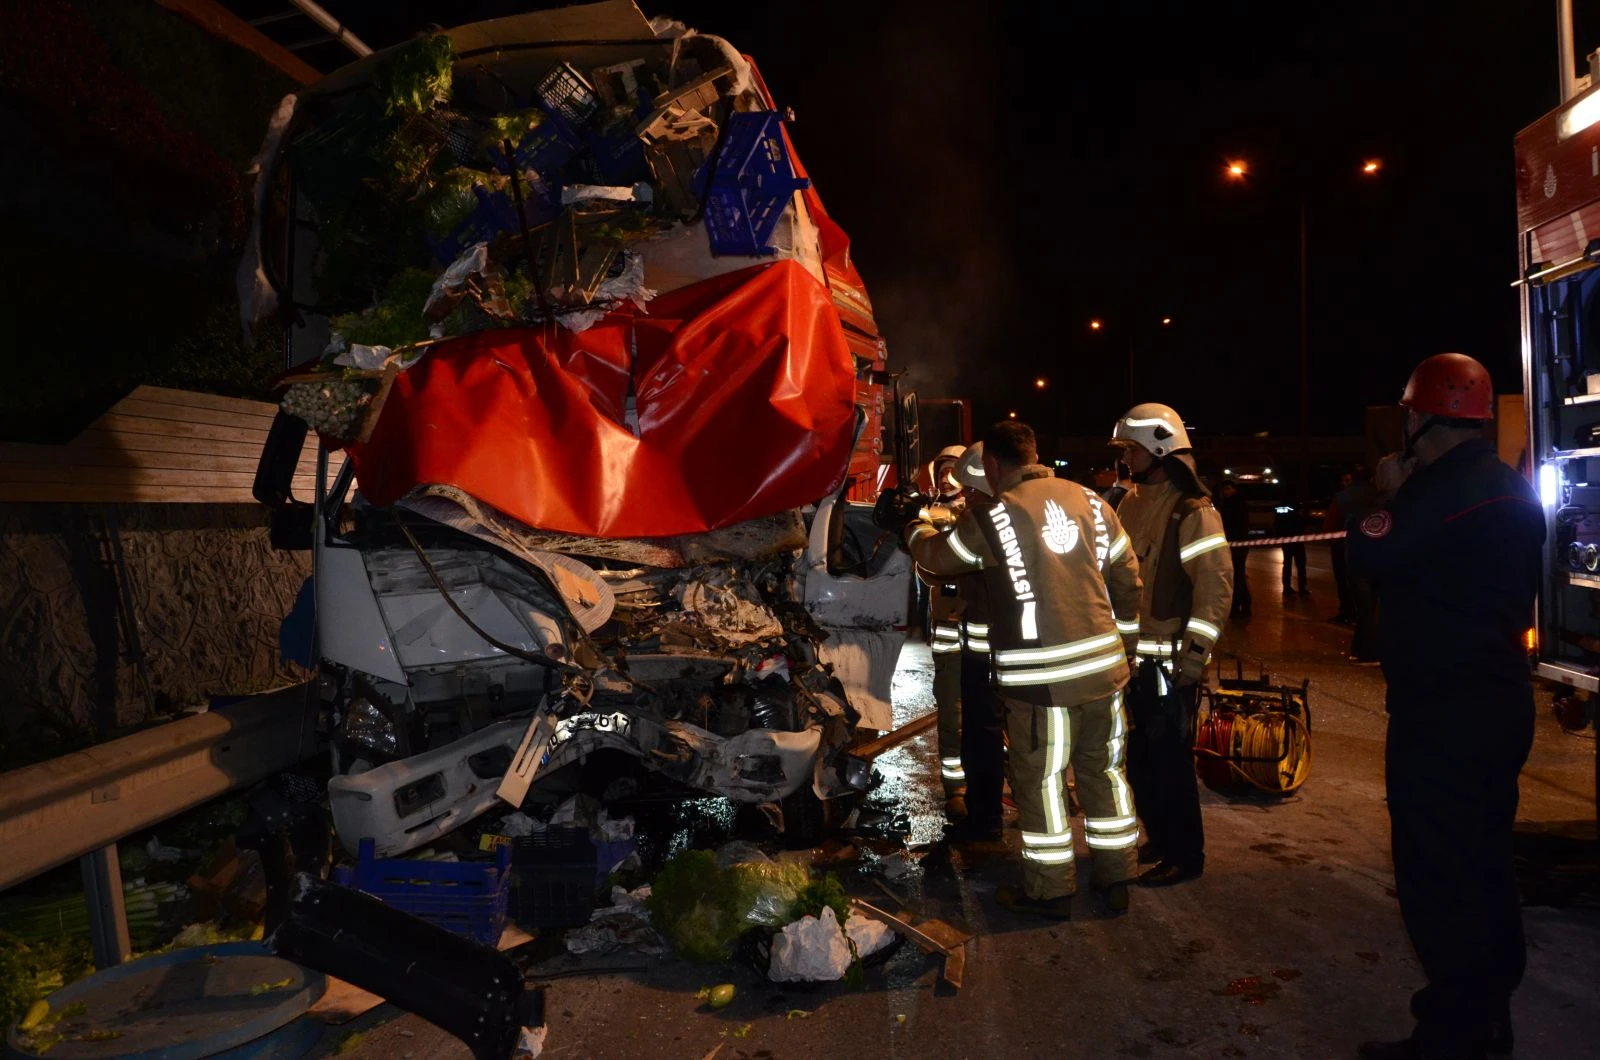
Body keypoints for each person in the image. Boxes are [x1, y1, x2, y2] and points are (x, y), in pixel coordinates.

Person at [1348, 354, 1544, 1060]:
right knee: (1486, 861)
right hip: (1498, 703)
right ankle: (1488, 1014)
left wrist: (1386, 497)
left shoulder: (1440, 489)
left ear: (1424, 418)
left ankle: (1454, 1031)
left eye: (1407, 415)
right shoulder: (1509, 489)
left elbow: (1369, 555)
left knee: (1437, 872)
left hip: (1443, 715)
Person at [902, 421, 1143, 918]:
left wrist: (911, 524)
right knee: (1105, 773)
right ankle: (1116, 877)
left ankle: (1051, 889)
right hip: (1105, 672)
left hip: (1042, 684)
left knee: (1043, 783)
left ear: (991, 465)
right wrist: (1126, 646)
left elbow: (939, 558)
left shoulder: (995, 516)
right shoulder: (1093, 503)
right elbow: (1128, 577)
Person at [1109, 402, 1233, 887]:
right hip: (1135, 665)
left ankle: (1185, 855)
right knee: (1140, 762)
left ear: (1161, 448)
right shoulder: (1130, 503)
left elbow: (1215, 587)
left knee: (1170, 766)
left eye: (1132, 449)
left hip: (1170, 667)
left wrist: (1195, 658)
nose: (1126, 458)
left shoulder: (1193, 512)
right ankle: (1159, 839)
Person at [920, 445, 972, 811]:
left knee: (996, 712)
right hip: (948, 628)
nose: (946, 477)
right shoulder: (928, 510)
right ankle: (956, 789)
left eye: (954, 470)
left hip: (986, 631)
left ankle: (1010, 779)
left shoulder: (980, 511)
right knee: (951, 714)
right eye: (942, 470)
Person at [1216, 480, 1253, 617]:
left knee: (1237, 576)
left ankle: (1239, 606)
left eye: (1228, 489)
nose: (1226, 492)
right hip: (1237, 544)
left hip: (1236, 545)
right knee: (1237, 575)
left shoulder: (1233, 504)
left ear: (1234, 489)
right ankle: (1242, 605)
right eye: (1224, 489)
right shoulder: (1233, 503)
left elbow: (1233, 525)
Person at [1326, 471, 1357, 623]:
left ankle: (1347, 612)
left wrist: (1330, 537)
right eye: (1344, 480)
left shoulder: (1340, 498)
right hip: (1358, 545)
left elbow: (1331, 522)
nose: (1346, 483)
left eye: (1348, 480)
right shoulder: (1370, 495)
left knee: (1344, 580)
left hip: (1342, 546)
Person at [1275, 501, 1309, 596]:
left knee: (1287, 565)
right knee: (1300, 565)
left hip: (1286, 539)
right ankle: (1302, 589)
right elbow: (1300, 521)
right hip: (1296, 540)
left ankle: (1287, 588)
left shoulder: (1280, 506)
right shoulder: (1295, 505)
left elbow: (1277, 523)